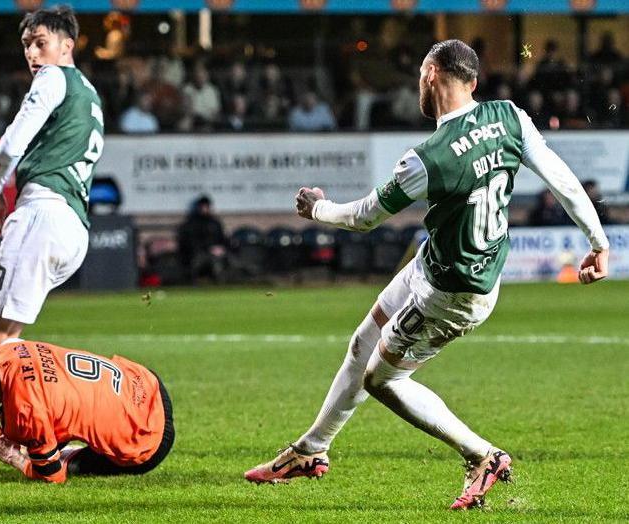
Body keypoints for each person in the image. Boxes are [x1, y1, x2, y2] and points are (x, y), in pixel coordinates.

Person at [245, 40, 610, 510]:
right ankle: (312, 450)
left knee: (382, 379)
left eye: (420, 73)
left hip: (451, 292)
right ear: (474, 83)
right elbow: (561, 178)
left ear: (431, 74)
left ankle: (482, 456)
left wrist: (316, 207)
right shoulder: (509, 116)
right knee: (362, 342)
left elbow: (363, 217)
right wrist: (598, 244)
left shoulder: (428, 159)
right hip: (441, 262)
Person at [0, 6, 104, 431]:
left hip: (44, 213)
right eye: (27, 46)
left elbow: (12, 139)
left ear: (66, 46)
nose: (33, 54)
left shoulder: (54, 78)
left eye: (41, 43)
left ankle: (14, 432)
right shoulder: (89, 94)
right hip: (69, 225)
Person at [0, 341, 173, 487]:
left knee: (47, 459)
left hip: (148, 440)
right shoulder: (7, 352)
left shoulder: (26, 414)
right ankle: (20, 441)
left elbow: (53, 478)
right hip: (145, 383)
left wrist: (16, 460)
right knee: (51, 421)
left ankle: (24, 446)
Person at [177, 195, 228, 283]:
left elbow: (222, 239)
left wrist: (221, 248)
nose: (204, 209)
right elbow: (190, 242)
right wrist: (209, 249)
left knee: (218, 263)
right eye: (202, 207)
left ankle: (220, 285)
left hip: (215, 253)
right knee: (196, 263)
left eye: (206, 207)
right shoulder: (191, 224)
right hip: (198, 253)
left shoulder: (215, 223)